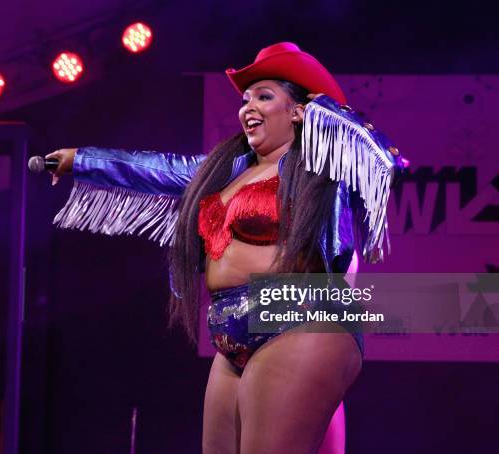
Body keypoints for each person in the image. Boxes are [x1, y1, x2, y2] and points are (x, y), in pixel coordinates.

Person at [46, 42, 406, 453]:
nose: (248, 107)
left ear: (299, 111)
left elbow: (382, 159)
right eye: (245, 99)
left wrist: (327, 116)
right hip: (231, 328)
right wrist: (82, 159)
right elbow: (156, 168)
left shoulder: (320, 168)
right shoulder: (227, 170)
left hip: (299, 320)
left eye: (264, 96)